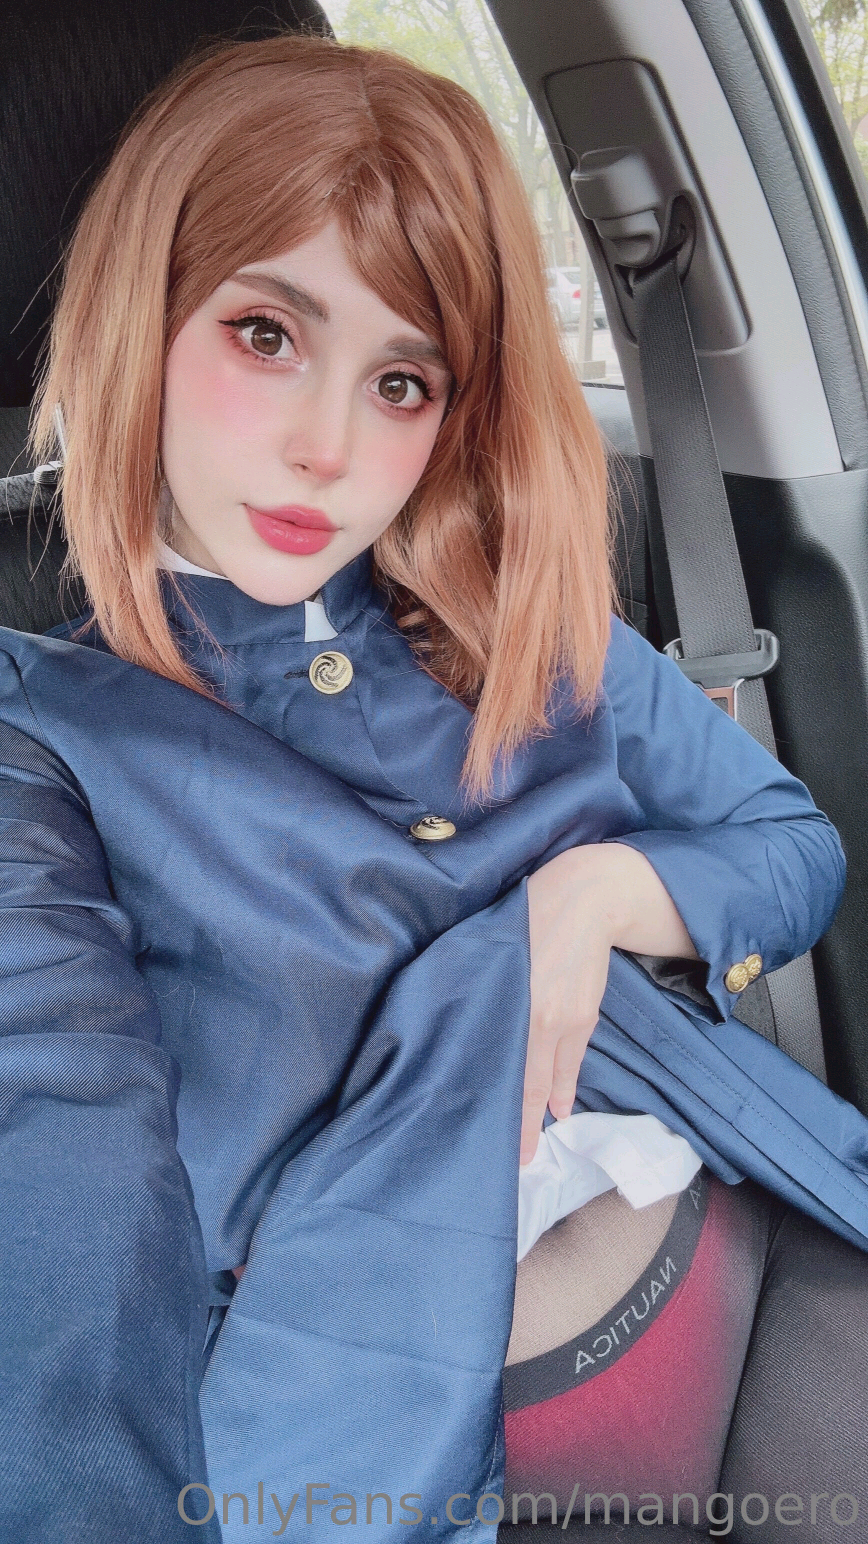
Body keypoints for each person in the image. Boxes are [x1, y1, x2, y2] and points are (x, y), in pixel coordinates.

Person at [1, 29, 866, 1544]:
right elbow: (65, 1161)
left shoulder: (528, 624)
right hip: (408, 1399)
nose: (327, 448)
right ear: (144, 313)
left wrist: (593, 897)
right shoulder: (45, 735)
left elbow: (789, 844)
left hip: (755, 1211)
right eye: (266, 333)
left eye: (401, 380)